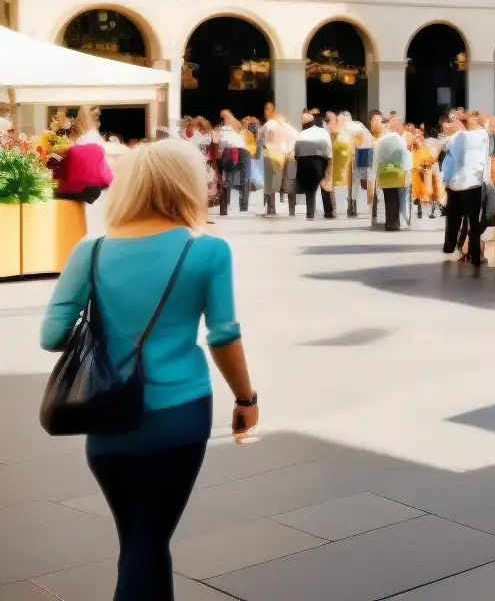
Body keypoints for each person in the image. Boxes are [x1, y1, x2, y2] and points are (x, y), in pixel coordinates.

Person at [40, 139, 257, 601]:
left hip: (107, 420)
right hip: (179, 416)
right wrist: (246, 399)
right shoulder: (208, 252)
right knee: (149, 540)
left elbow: (52, 336)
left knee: (139, 539)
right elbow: (224, 336)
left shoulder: (90, 250)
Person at [441, 113, 488, 267]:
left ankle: (451, 248)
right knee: (473, 221)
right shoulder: (483, 135)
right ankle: (473, 254)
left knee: (454, 219)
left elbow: (453, 160)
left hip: (458, 182)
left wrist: (447, 180)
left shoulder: (458, 138)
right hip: (475, 182)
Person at [371, 117, 411, 232]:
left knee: (388, 199)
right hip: (397, 172)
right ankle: (394, 223)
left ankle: (389, 222)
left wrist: (375, 175)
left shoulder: (380, 141)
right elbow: (404, 156)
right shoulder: (399, 139)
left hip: (383, 173)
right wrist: (407, 171)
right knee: (397, 199)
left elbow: (376, 159)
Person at [292, 111, 333, 220]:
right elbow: (328, 148)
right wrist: (329, 162)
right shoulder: (323, 132)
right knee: (324, 184)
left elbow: (296, 152)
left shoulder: (301, 134)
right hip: (321, 160)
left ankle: (310, 212)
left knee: (310, 189)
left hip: (305, 161)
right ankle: (328, 211)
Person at [258, 106, 293, 217]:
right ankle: (291, 209)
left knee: (269, 182)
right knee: (285, 180)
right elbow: (294, 136)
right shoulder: (286, 126)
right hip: (282, 155)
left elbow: (259, 137)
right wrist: (288, 149)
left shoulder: (268, 124)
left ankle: (271, 208)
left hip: (269, 154)